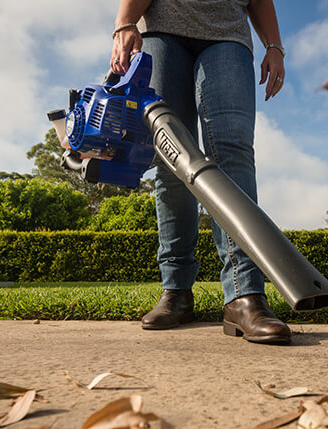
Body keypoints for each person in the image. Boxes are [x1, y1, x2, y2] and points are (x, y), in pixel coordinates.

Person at [110, 0, 291, 344]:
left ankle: (244, 296)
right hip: (162, 33)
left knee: (233, 155)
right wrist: (124, 24)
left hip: (228, 36)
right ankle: (175, 290)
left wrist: (274, 46)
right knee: (171, 159)